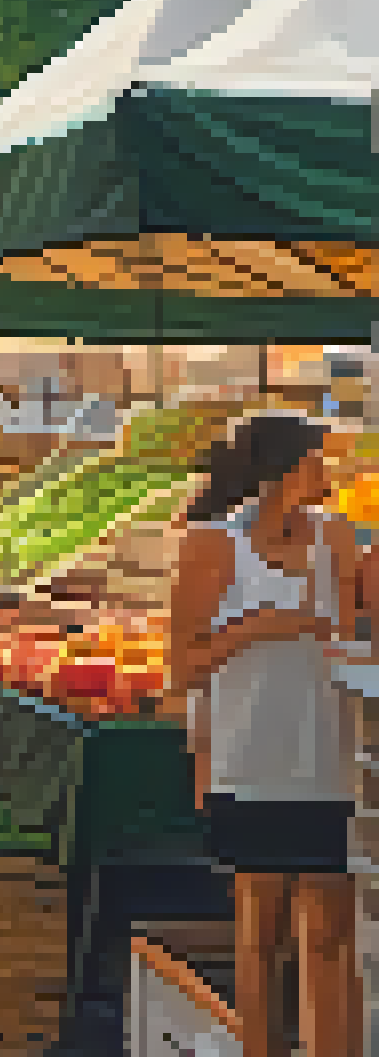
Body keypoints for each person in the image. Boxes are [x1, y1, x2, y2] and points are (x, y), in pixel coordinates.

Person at [169, 414, 363, 1057]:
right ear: (286, 468)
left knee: (333, 931)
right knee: (262, 930)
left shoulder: (336, 538)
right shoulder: (212, 545)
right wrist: (255, 630)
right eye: (318, 460)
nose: (328, 473)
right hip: (248, 759)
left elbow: (360, 628)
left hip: (328, 759)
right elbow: (184, 666)